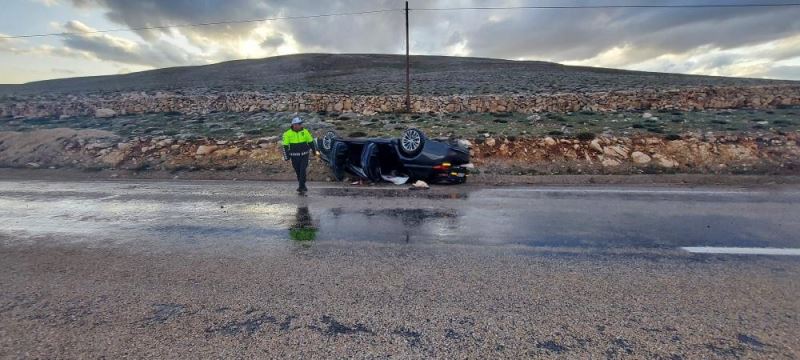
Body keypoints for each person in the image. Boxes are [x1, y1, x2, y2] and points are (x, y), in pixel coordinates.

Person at [282, 117, 316, 194]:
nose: (299, 125)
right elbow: (285, 146)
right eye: (298, 124)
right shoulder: (287, 133)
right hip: (294, 157)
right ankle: (303, 185)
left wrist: (314, 151)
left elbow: (311, 142)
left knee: (302, 171)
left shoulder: (305, 131)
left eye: (300, 124)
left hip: (304, 155)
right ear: (293, 125)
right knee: (298, 172)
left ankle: (301, 187)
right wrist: (286, 157)